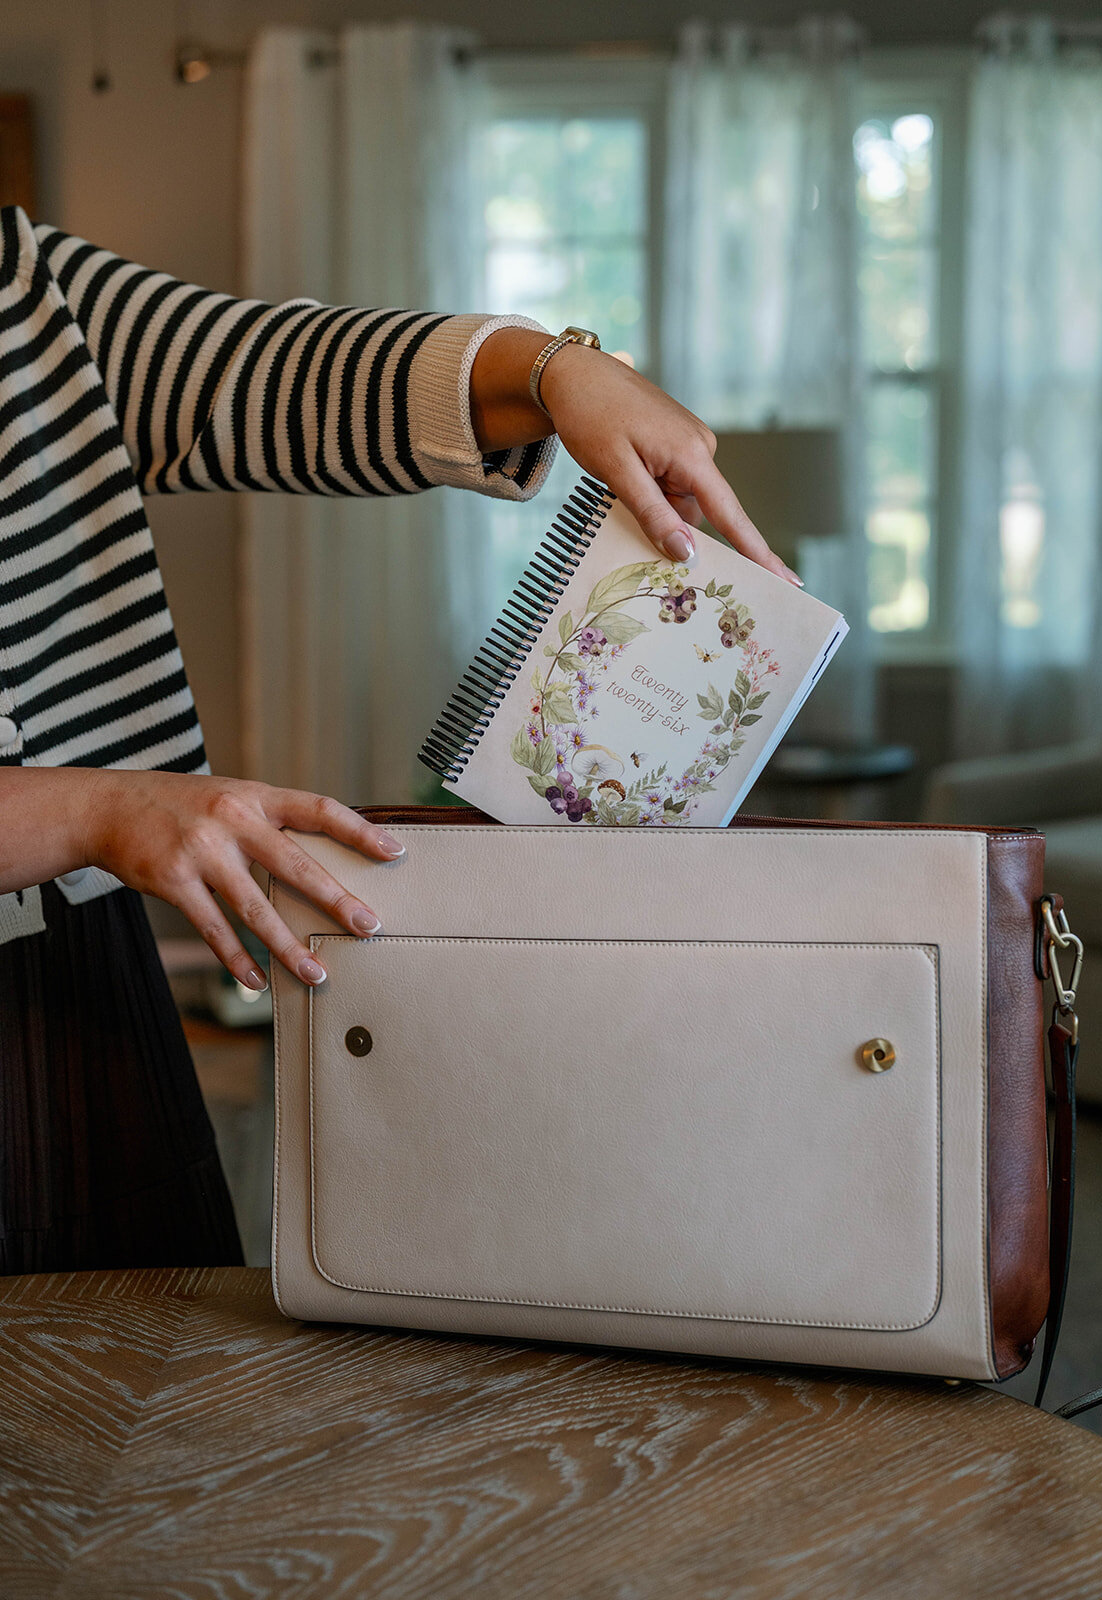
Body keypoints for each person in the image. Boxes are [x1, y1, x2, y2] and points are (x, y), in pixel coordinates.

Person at [0, 204, 796, 1274]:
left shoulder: (20, 285)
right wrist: (92, 806)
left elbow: (271, 370)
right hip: (67, 873)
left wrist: (558, 372)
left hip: (72, 959)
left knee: (143, 1388)